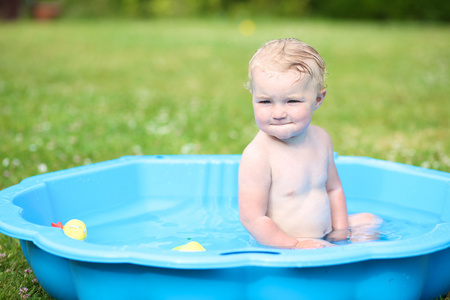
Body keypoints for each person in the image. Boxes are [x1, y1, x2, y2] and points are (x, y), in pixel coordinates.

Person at [238, 38, 381, 249]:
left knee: (370, 221)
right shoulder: (258, 155)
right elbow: (253, 219)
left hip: (324, 232)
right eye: (265, 101)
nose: (278, 113)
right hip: (283, 243)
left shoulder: (322, 139)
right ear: (253, 97)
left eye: (292, 101)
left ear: (317, 100)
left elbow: (333, 189)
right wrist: (294, 245)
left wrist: (340, 233)